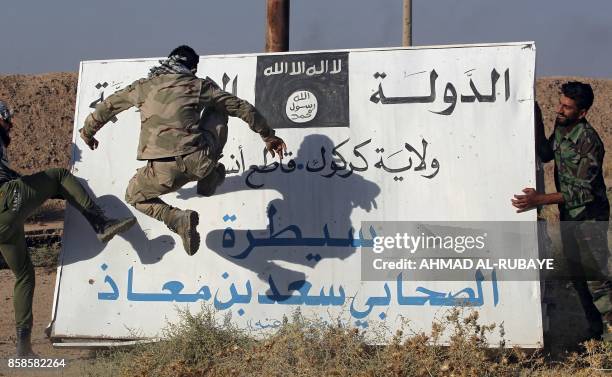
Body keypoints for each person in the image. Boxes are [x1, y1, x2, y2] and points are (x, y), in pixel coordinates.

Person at [79, 45, 286, 256]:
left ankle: (176, 218)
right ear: (192, 68)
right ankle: (209, 174)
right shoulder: (198, 85)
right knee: (220, 106)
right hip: (200, 159)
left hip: (162, 171)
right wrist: (268, 136)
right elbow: (242, 107)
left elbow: (107, 107)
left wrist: (88, 132)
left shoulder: (143, 87)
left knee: (134, 196)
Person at [0, 100, 136, 357]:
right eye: (7, 120)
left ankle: (23, 349)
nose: (10, 126)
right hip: (5, 200)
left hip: (6, 219)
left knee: (25, 274)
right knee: (60, 177)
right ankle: (101, 223)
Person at [512, 82, 610, 340]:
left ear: (583, 112)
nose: (560, 109)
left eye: (567, 107)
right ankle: (596, 337)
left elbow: (583, 193)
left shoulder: (589, 142)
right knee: (579, 281)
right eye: (560, 104)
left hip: (590, 219)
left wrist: (540, 199)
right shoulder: (563, 127)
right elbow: (546, 154)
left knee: (598, 282)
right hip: (569, 219)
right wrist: (533, 115)